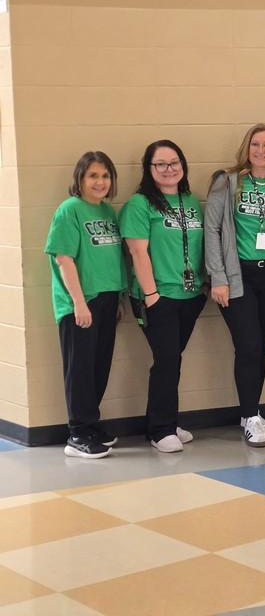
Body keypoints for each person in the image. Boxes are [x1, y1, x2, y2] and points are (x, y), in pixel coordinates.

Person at [206, 124, 265, 447]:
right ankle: (249, 416)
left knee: (263, 347)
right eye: (256, 144)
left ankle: (252, 413)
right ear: (247, 148)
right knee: (248, 345)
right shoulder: (228, 183)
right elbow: (212, 230)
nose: (261, 150)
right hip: (237, 275)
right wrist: (218, 277)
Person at [120, 140, 207, 453]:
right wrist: (152, 294)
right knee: (166, 360)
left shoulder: (190, 201)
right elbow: (137, 252)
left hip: (190, 295)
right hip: (156, 296)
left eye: (175, 162)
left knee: (172, 360)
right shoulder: (140, 204)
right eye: (161, 164)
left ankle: (164, 420)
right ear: (149, 169)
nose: (169, 169)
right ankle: (160, 429)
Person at [45, 152, 128, 459]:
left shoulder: (107, 211)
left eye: (105, 176)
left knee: (99, 366)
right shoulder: (69, 210)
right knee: (79, 370)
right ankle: (78, 433)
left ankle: (91, 424)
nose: (100, 182)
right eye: (93, 175)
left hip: (107, 299)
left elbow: (111, 259)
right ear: (79, 178)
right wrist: (79, 303)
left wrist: (118, 297)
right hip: (80, 303)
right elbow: (63, 258)